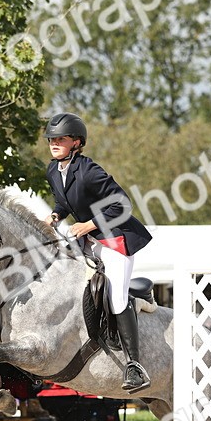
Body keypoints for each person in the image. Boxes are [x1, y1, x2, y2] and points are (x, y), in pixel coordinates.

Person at [43, 112, 153, 393]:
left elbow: (123, 205)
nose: (54, 143)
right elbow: (63, 201)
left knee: (116, 296)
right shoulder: (53, 171)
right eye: (52, 139)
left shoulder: (90, 170)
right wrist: (55, 216)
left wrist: (90, 224)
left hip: (115, 239)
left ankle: (134, 365)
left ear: (77, 142)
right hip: (88, 240)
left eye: (61, 139)